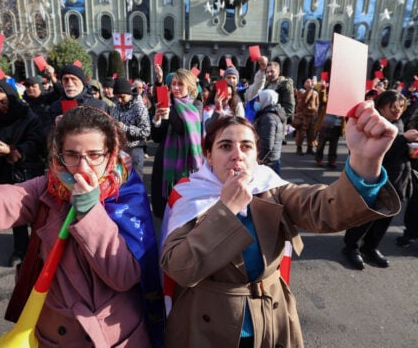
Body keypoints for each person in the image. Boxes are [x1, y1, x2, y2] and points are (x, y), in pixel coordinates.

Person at [0, 83, 165, 347]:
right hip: (55, 335)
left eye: (94, 155)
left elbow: (124, 276)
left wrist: (90, 212)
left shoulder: (128, 194)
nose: (82, 167)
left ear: (111, 153)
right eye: (71, 154)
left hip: (114, 335)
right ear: (57, 154)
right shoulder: (46, 188)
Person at [160, 109, 400, 348]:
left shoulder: (271, 188)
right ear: (209, 156)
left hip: (272, 321)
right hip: (207, 328)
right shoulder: (189, 196)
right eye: (225, 146)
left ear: (256, 155)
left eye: (246, 147)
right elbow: (180, 268)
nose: (237, 155)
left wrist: (365, 163)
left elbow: (325, 209)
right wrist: (226, 209)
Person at [0, 81, 47, 267]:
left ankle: (40, 249)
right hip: (3, 173)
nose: (0, 106)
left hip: (27, 172)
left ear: (11, 97)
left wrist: (14, 151)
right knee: (14, 215)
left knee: (36, 214)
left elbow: (37, 142)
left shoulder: (28, 116)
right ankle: (20, 250)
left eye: (3, 101)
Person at [343, 91, 418, 270]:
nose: (397, 111)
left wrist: (410, 149)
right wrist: (403, 140)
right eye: (392, 107)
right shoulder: (372, 124)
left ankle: (371, 247)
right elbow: (374, 154)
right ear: (381, 106)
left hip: (398, 179)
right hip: (375, 180)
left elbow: (396, 151)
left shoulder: (397, 122)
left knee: (386, 217)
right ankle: (351, 247)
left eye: (400, 107)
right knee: (366, 216)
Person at [150, 68, 203, 219]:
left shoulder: (195, 106)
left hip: (185, 164)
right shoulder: (166, 105)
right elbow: (156, 137)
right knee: (163, 209)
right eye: (173, 84)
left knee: (183, 210)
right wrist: (157, 119)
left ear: (190, 88)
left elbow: (182, 129)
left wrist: (170, 113)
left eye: (180, 84)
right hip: (164, 162)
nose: (176, 88)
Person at [110, 77, 151, 180]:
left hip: (135, 150)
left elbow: (146, 131)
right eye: (117, 97)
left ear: (129, 94)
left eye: (122, 97)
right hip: (119, 150)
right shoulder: (115, 108)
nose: (119, 100)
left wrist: (126, 128)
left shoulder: (139, 107)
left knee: (135, 182)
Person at [251, 89, 286, 174]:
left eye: (259, 99)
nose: (256, 102)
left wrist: (260, 158)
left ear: (266, 99)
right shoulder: (270, 115)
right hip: (271, 159)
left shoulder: (268, 118)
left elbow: (267, 143)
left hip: (268, 161)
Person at [293, 78, 319, 155]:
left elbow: (317, 104)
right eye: (308, 81)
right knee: (301, 133)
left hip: (312, 115)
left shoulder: (315, 93)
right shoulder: (301, 92)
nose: (310, 83)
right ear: (304, 84)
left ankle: (310, 148)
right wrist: (309, 90)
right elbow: (303, 101)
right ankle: (299, 148)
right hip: (303, 116)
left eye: (311, 81)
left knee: (311, 133)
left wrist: (316, 113)